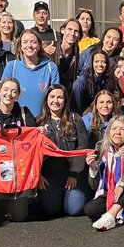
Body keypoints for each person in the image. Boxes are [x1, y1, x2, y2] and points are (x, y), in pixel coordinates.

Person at [33, 84, 90, 219]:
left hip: (73, 173)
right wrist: (38, 175)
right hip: (50, 175)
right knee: (51, 210)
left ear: (65, 100)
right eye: (52, 97)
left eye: (60, 97)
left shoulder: (76, 119)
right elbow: (32, 151)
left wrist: (74, 174)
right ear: (46, 100)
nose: (56, 101)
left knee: (73, 210)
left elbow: (82, 147)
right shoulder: (38, 122)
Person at [3, 29, 61, 118]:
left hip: (43, 121)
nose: (29, 45)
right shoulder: (12, 66)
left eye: (33, 42)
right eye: (25, 42)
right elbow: (2, 94)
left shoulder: (51, 67)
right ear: (20, 46)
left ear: (39, 46)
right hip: (17, 120)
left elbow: (55, 96)